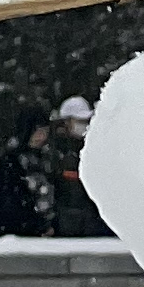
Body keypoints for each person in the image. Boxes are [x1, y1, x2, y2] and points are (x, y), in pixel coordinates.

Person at [0, 102, 53, 237]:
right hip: (13, 234)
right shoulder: (12, 162)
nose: (41, 137)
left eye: (45, 132)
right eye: (38, 132)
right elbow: (9, 204)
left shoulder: (47, 160)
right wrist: (37, 224)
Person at [50, 93, 112, 238]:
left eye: (85, 121)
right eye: (78, 121)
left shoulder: (94, 147)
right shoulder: (55, 152)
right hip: (65, 225)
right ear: (66, 122)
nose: (83, 125)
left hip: (92, 223)